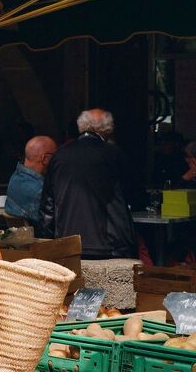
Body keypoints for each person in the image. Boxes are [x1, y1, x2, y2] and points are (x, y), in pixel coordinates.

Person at [44, 108, 136, 259]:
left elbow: (47, 205)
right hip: (109, 245)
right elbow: (131, 193)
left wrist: (50, 241)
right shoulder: (113, 154)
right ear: (108, 129)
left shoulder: (60, 155)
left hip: (68, 242)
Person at [4, 135, 58, 236]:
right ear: (45, 158)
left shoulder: (15, 178)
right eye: (55, 156)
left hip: (20, 243)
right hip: (41, 245)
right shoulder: (39, 190)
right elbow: (56, 223)